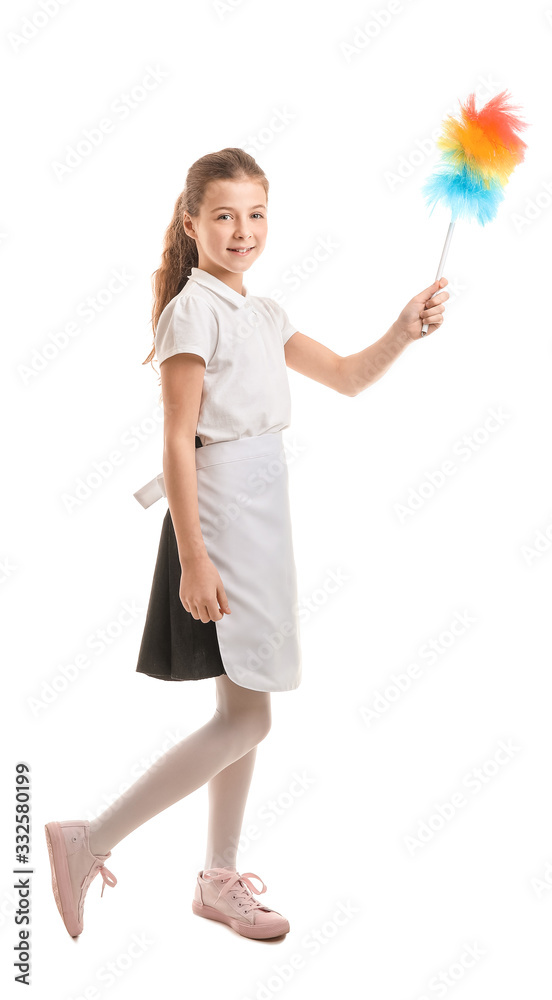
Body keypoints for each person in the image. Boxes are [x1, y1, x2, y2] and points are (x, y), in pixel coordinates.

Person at [44, 146, 449, 941]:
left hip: (266, 515)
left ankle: (218, 878)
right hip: (223, 518)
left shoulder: (261, 312)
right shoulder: (191, 312)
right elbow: (173, 441)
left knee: (245, 702)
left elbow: (349, 375)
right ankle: (86, 840)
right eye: (224, 215)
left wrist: (402, 330)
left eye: (256, 214)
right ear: (191, 223)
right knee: (251, 717)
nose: (242, 230)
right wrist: (194, 556)